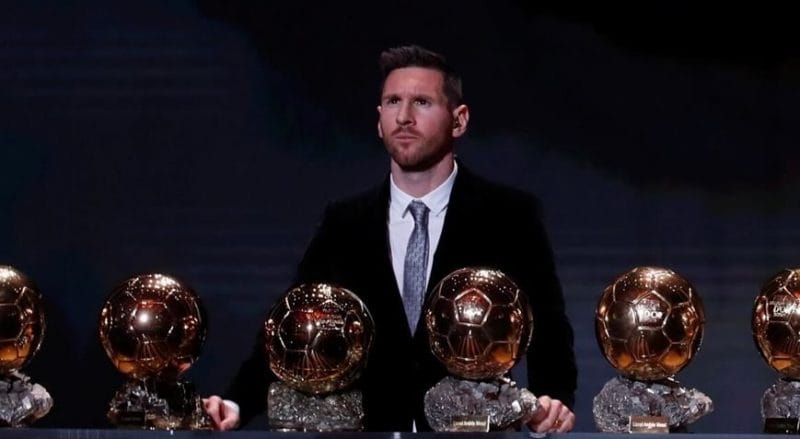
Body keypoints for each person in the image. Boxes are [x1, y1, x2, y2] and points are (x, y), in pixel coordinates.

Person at [204, 44, 577, 433]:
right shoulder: (345, 223)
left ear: (459, 120)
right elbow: (292, 326)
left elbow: (547, 327)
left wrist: (553, 404)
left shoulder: (509, 216)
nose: (404, 117)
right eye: (393, 102)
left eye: (422, 102)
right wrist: (236, 402)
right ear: (379, 121)